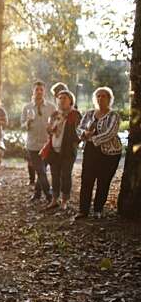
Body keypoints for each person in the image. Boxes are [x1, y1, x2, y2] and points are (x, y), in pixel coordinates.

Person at [76, 87, 122, 220]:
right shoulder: (90, 113)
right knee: (86, 180)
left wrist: (90, 138)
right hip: (90, 151)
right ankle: (83, 210)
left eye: (104, 96)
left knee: (103, 181)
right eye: (98, 96)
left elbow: (109, 133)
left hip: (110, 154)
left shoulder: (114, 116)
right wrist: (84, 134)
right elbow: (79, 129)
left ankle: (98, 210)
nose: (100, 99)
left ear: (109, 99)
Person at [43, 90, 81, 210]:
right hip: (54, 149)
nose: (61, 100)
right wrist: (50, 128)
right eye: (59, 98)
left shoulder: (75, 114)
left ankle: (64, 200)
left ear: (70, 100)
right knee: (55, 175)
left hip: (68, 150)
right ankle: (55, 199)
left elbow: (79, 132)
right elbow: (49, 130)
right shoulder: (54, 114)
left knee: (65, 175)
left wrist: (66, 119)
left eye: (64, 98)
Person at [21, 81, 56, 203]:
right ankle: (49, 195)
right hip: (32, 145)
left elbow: (56, 124)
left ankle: (37, 193)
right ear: (33, 91)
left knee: (41, 171)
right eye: (37, 90)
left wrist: (52, 128)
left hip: (47, 144)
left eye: (41, 90)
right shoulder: (27, 107)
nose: (39, 92)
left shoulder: (51, 107)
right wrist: (28, 122)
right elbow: (22, 125)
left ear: (44, 91)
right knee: (40, 171)